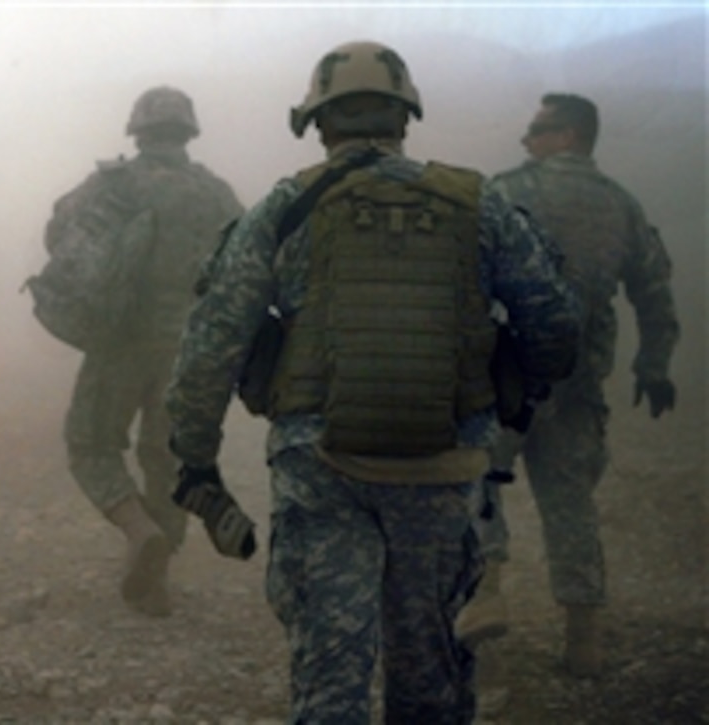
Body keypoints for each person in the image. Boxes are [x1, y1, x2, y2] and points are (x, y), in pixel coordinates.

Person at [165, 41, 582, 723]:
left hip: (322, 464)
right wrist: (511, 397)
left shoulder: (285, 208)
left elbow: (213, 339)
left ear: (319, 122)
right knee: (430, 665)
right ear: (404, 118)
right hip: (444, 466)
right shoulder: (480, 204)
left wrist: (195, 457)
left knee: (332, 669)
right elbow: (557, 326)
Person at [458, 93, 680, 676]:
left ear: (571, 134)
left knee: (475, 476)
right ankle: (585, 639)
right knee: (571, 504)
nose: (526, 140)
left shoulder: (505, 191)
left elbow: (462, 276)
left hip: (504, 377)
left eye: (539, 129)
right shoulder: (621, 206)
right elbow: (654, 293)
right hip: (578, 384)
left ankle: (487, 592)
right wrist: (653, 366)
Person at [46, 86, 242, 616]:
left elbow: (59, 236)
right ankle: (158, 580)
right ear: (188, 132)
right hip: (188, 350)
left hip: (119, 342)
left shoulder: (112, 183)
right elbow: (243, 265)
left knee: (89, 443)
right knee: (169, 459)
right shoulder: (215, 194)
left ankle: (137, 529)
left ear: (137, 133)